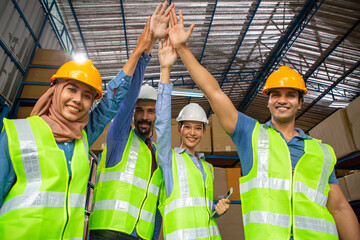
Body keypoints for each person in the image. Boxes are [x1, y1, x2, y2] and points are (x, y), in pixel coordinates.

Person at [166, 8, 360, 240]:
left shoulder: (322, 152)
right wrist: (182, 48)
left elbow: (339, 208)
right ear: (268, 101)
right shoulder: (251, 135)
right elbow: (214, 93)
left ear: (300, 103)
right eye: (276, 94)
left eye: (290, 95)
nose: (282, 100)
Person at [88, 2, 174, 240]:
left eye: (151, 111)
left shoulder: (157, 153)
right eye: (140, 110)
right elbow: (125, 101)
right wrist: (144, 53)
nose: (145, 117)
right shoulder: (119, 137)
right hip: (109, 232)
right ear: (133, 114)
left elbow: (156, 204)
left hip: (143, 236)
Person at [155, 36, 230, 240]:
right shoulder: (168, 159)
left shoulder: (208, 168)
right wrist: (165, 71)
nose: (192, 133)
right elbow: (161, 124)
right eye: (187, 127)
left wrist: (217, 208)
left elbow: (203, 210)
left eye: (198, 128)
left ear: (203, 132)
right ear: (179, 129)